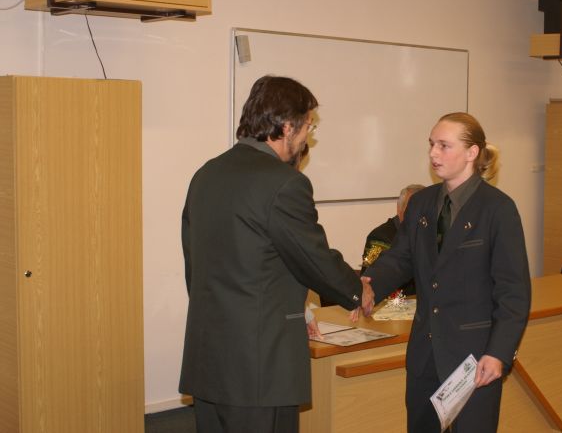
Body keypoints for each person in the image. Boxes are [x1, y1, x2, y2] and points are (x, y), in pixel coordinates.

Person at [180, 75, 373, 432]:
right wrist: (356, 289)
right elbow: (313, 257)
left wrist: (294, 309)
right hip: (259, 370)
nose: (307, 136)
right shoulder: (284, 183)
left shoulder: (206, 175)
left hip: (209, 361)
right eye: (307, 126)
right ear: (286, 127)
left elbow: (200, 268)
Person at [360, 112, 531, 433]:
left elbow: (513, 292)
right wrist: (367, 286)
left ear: (472, 152)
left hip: (474, 358)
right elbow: (400, 259)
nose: (433, 153)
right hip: (425, 354)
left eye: (443, 145)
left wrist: (498, 353)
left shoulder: (498, 208)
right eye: (431, 144)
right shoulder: (421, 203)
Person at [359, 184, 426, 295]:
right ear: (399, 209)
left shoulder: (434, 234)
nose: (419, 215)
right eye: (413, 209)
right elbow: (373, 281)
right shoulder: (380, 237)